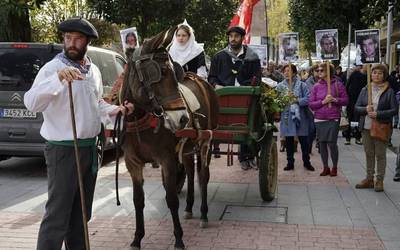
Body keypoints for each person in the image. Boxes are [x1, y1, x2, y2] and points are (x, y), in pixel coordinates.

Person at [23, 17, 133, 249]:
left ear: (87, 42)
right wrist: (58, 79)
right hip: (63, 150)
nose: (72, 43)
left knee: (81, 213)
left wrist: (117, 110)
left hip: (89, 149)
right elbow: (31, 102)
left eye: (78, 39)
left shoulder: (92, 70)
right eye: (68, 38)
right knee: (57, 214)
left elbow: (96, 105)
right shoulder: (53, 68)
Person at [208, 26, 261, 170]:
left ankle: (248, 155)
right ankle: (242, 156)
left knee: (246, 122)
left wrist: (250, 86)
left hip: (245, 95)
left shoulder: (252, 57)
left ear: (242, 38)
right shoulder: (219, 56)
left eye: (236, 36)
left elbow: (257, 78)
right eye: (230, 36)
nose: (233, 39)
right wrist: (216, 85)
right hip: (224, 95)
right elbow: (211, 77)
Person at [354, 64, 398, 192]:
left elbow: (394, 109)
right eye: (374, 73)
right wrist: (365, 109)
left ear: (384, 76)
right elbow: (357, 107)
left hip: (381, 126)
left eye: (379, 73)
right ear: (370, 74)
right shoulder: (365, 89)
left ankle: (379, 180)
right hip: (366, 126)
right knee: (369, 153)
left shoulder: (388, 91)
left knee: (380, 154)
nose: (376, 75)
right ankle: (369, 178)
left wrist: (378, 114)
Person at [309, 63, 348, 176]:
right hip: (320, 118)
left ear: (329, 71)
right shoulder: (316, 86)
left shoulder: (338, 84)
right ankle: (325, 167)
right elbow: (311, 104)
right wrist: (323, 102)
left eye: (322, 70)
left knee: (332, 143)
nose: (319, 72)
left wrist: (335, 100)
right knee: (322, 144)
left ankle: (334, 167)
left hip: (333, 118)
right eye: (318, 70)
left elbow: (346, 100)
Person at [277, 64, 314, 171]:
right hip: (287, 117)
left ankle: (306, 162)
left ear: (294, 72)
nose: (286, 73)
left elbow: (309, 99)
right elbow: (276, 101)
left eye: (289, 71)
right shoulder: (280, 86)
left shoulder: (302, 85)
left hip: (301, 117)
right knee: (288, 141)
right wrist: (283, 101)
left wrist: (297, 100)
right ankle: (290, 162)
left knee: (304, 141)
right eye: (285, 71)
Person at [344, 64, 367, 145]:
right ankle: (348, 137)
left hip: (361, 102)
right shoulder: (355, 74)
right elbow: (347, 86)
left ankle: (358, 137)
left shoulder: (367, 76)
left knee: (359, 120)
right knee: (350, 119)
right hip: (351, 101)